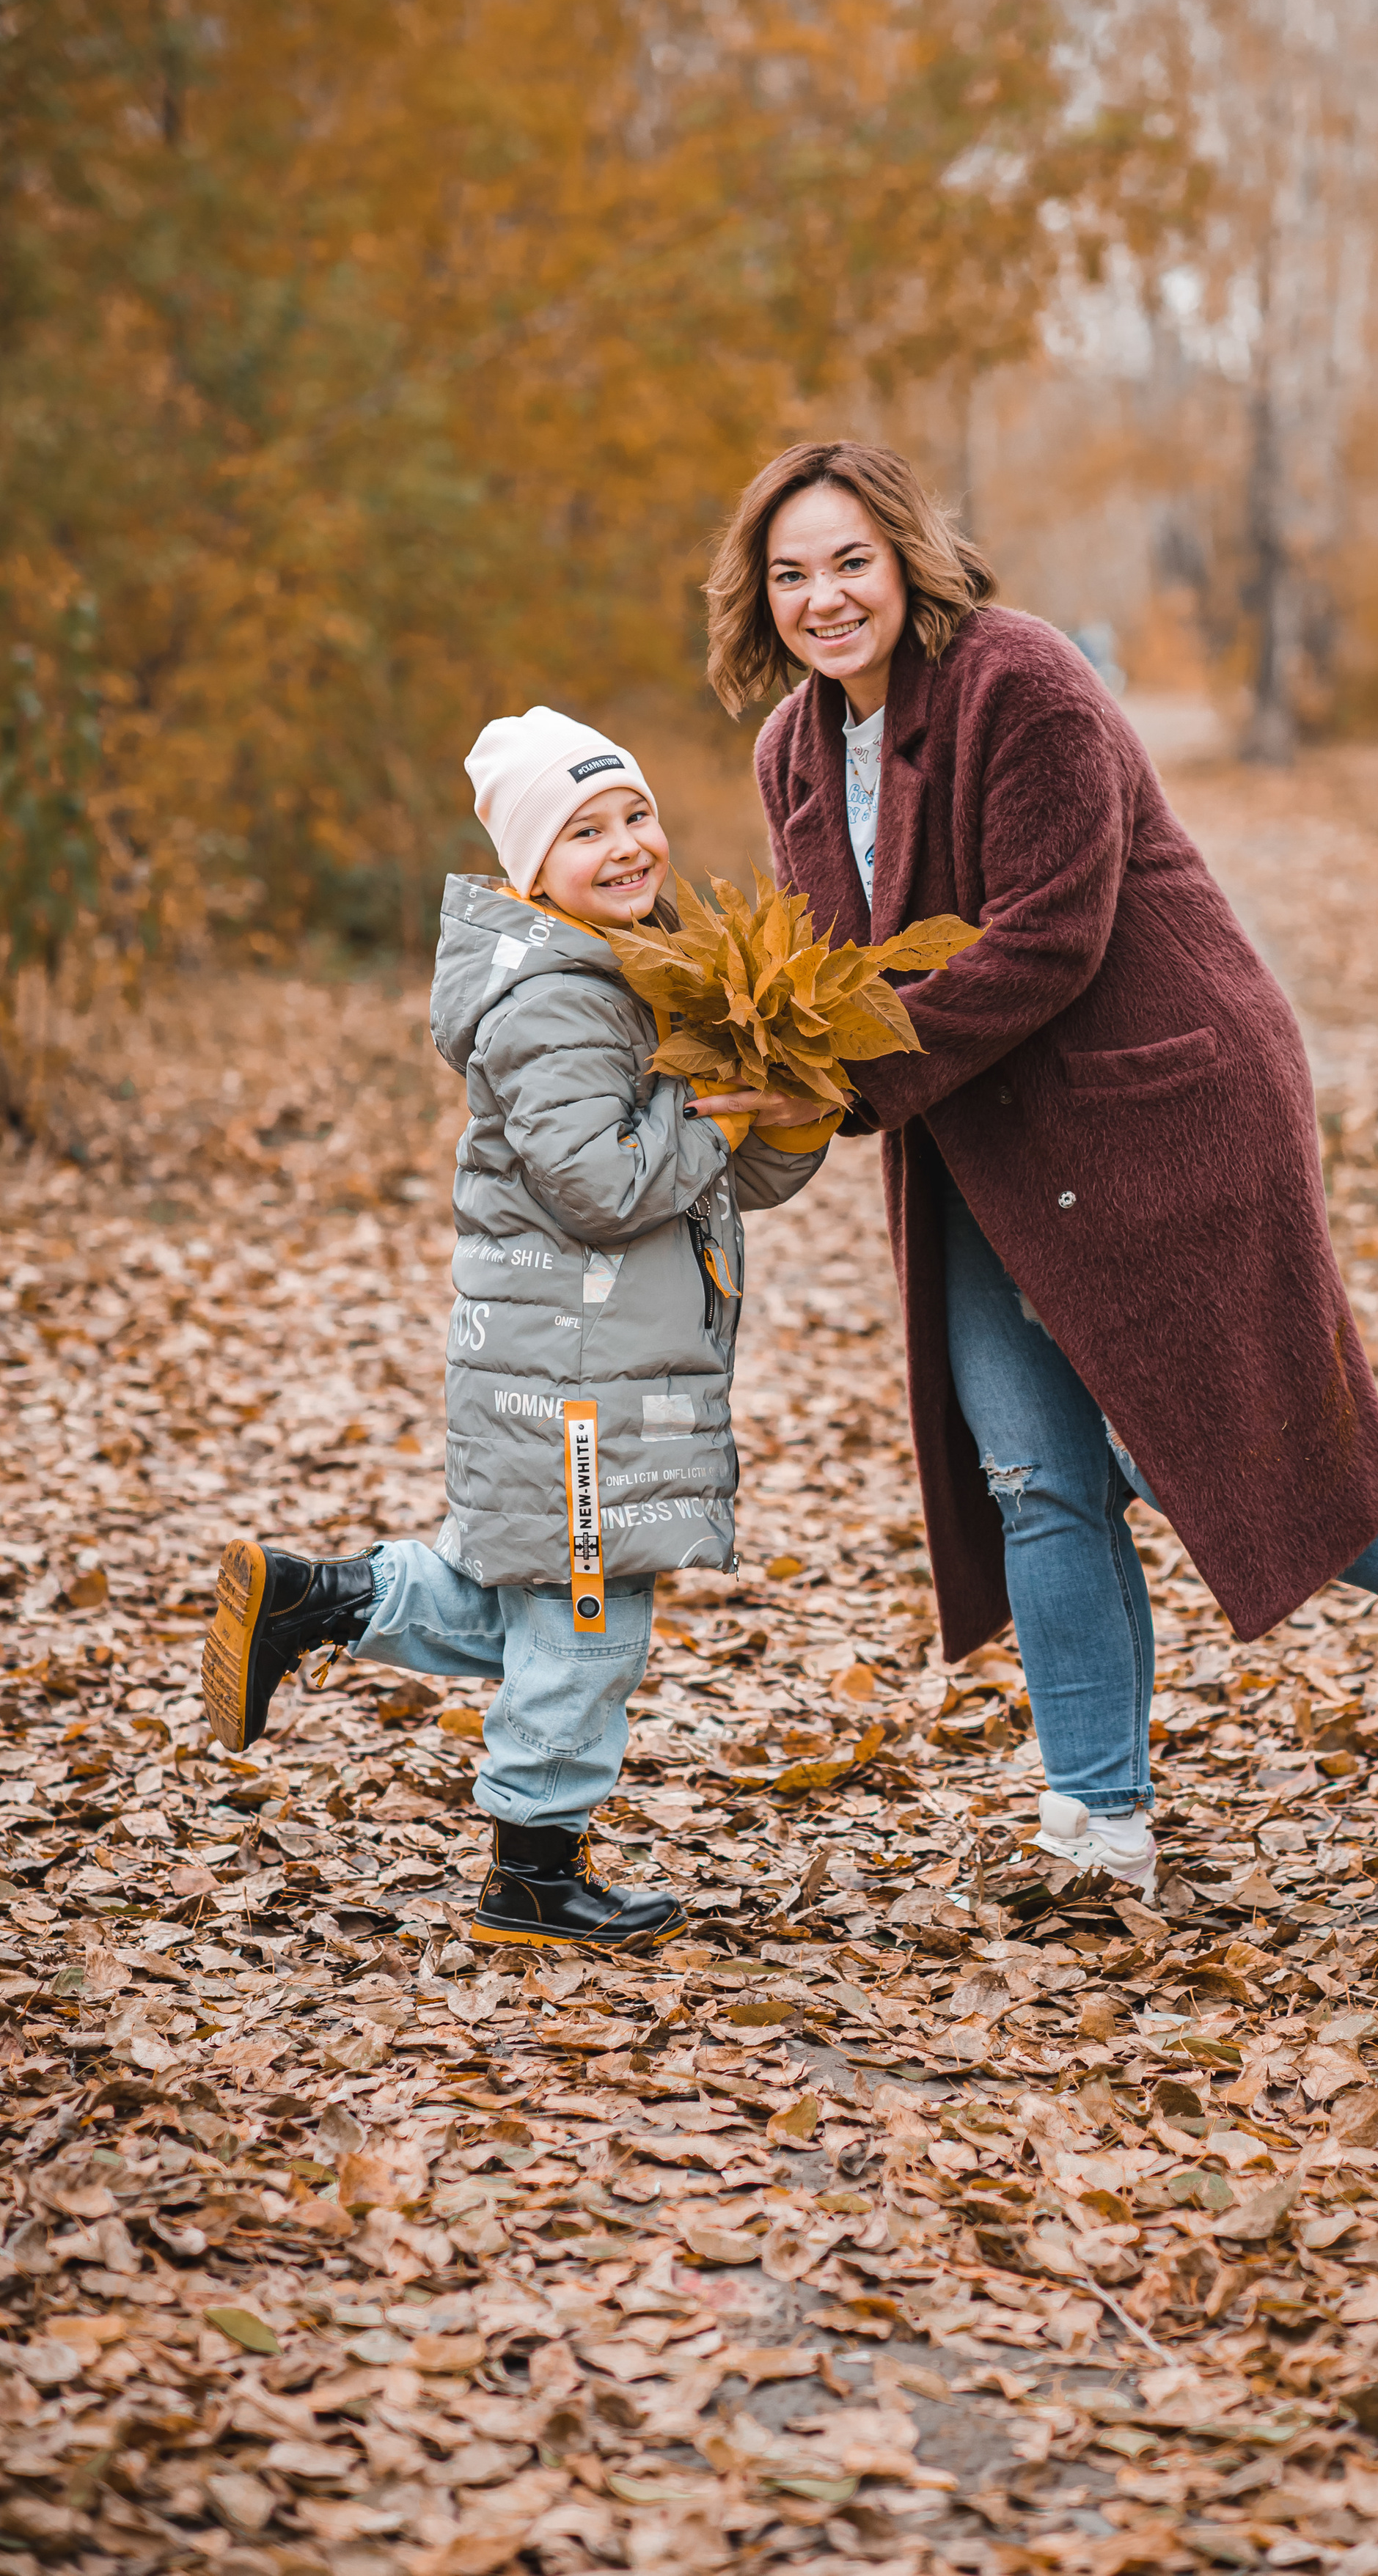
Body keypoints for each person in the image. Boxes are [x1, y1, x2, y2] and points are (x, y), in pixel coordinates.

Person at [698, 441, 1378, 1900]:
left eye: (848, 561)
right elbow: (831, 974)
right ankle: (1095, 1831)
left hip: (1161, 1099)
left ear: (906, 558)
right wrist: (756, 1064)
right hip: (983, 1139)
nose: (823, 598)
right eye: (789, 574)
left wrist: (847, 1079)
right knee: (1033, 1475)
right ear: (756, 595)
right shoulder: (791, 754)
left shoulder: (1021, 680)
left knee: (1226, 1422)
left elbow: (1046, 937)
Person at [199, 707, 835, 1951]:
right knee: (589, 1620)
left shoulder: (639, 972)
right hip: (573, 1382)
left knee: (533, 1606)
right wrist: (711, 1118)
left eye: (636, 815)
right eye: (585, 829)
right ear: (530, 868)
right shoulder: (555, 1001)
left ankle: (317, 1599)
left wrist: (782, 1116)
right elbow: (601, 1185)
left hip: (595, 1364)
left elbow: (708, 1171)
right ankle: (532, 1874)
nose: (626, 844)